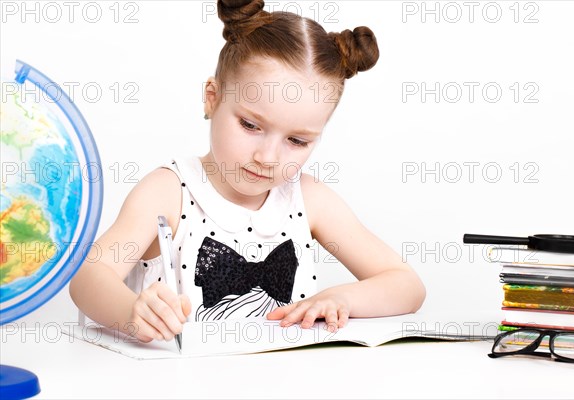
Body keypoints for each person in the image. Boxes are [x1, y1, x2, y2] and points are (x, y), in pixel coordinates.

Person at [70, 0, 426, 344]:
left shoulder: (310, 200)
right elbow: (87, 278)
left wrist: (344, 298)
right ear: (213, 97)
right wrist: (131, 310)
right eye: (251, 125)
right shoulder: (168, 191)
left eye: (297, 140)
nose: (268, 156)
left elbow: (406, 285)